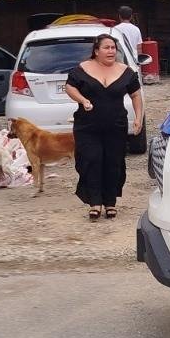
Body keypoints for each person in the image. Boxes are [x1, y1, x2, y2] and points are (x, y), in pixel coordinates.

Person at [63, 35, 143, 220]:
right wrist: (82, 100)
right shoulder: (82, 69)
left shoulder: (126, 72)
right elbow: (69, 87)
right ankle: (95, 202)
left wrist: (138, 117)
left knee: (113, 163)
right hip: (87, 126)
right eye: (106, 48)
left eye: (113, 48)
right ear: (96, 51)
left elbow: (136, 95)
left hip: (116, 125)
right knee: (91, 160)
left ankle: (110, 202)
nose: (111, 51)